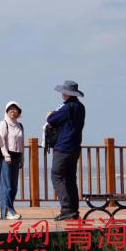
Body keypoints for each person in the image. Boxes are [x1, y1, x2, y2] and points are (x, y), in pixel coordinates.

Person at [47, 80, 86, 221]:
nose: (62, 94)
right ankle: (74, 210)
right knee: (70, 178)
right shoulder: (80, 107)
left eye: (64, 92)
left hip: (63, 147)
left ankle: (66, 209)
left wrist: (51, 114)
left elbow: (51, 119)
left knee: (56, 176)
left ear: (67, 93)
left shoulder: (67, 107)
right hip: (75, 147)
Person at [0, 101, 24, 220]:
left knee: (14, 186)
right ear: (7, 111)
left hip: (17, 156)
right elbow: (1, 141)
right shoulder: (3, 124)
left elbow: (21, 142)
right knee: (7, 185)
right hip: (6, 157)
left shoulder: (20, 125)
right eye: (11, 109)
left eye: (15, 109)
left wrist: (22, 158)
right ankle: (7, 211)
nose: (13, 111)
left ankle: (10, 210)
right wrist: (6, 155)